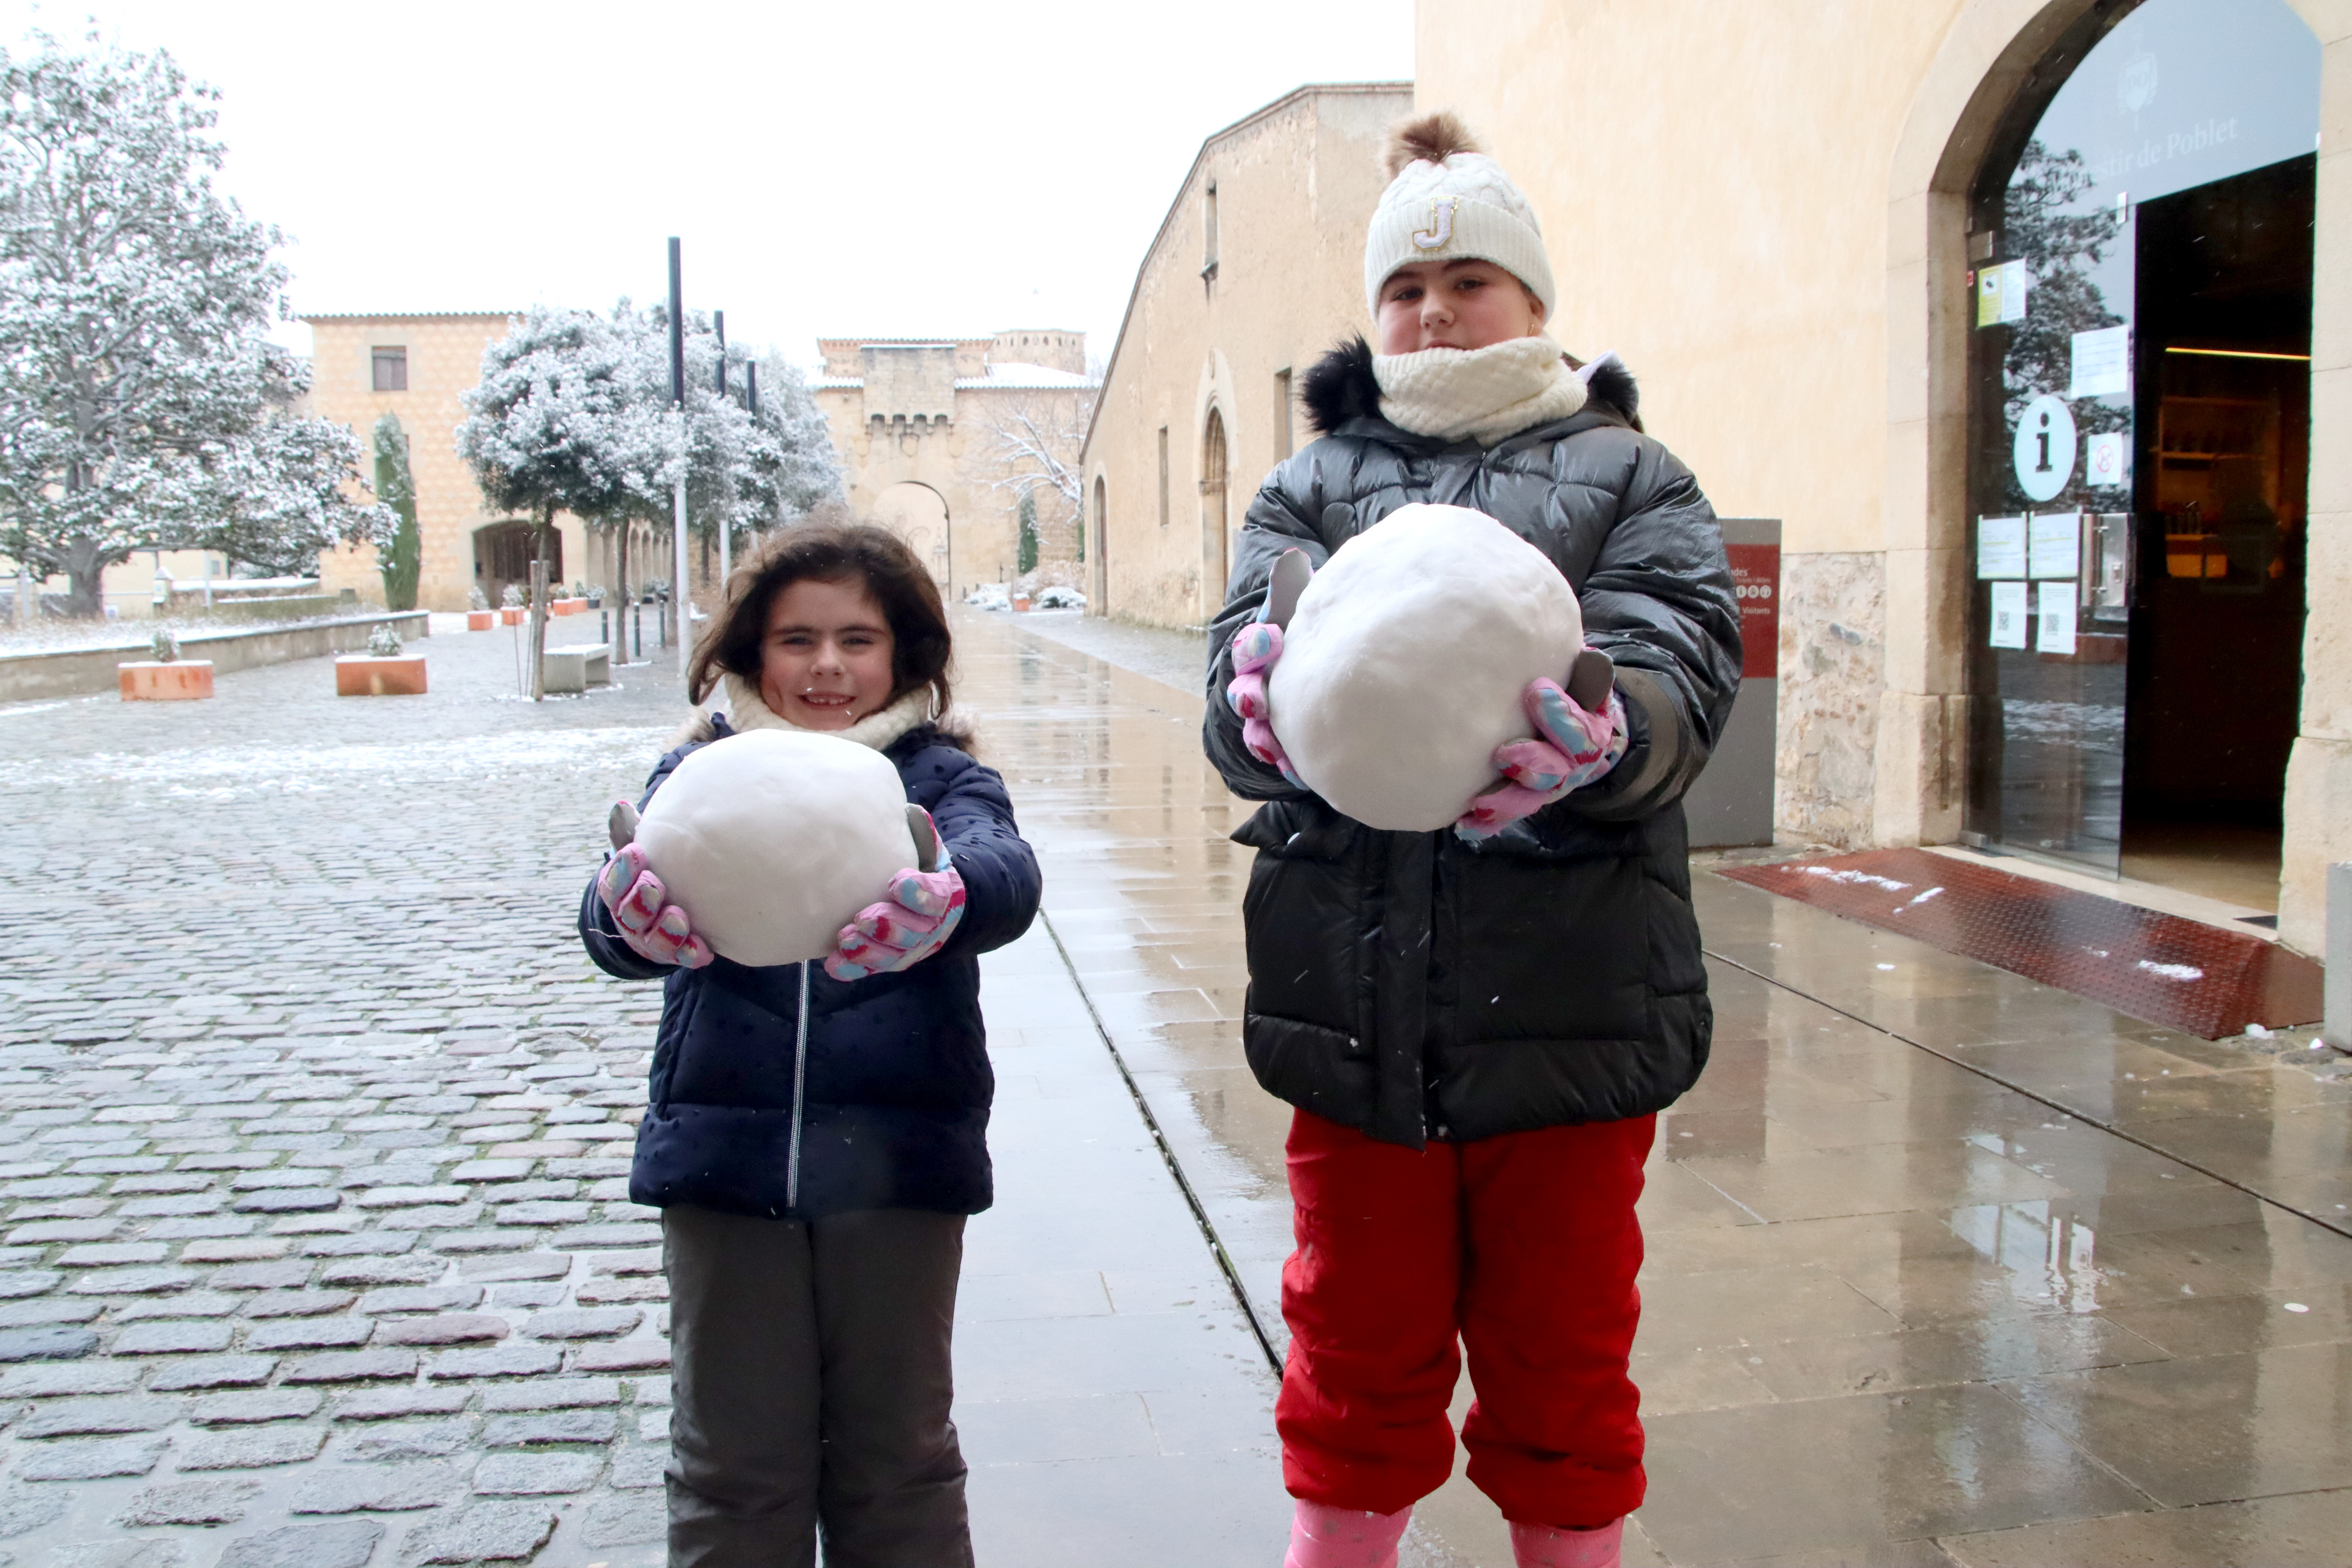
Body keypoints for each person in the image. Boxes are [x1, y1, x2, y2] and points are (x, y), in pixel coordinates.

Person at [1202, 112, 1741, 1568]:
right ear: (1375, 315)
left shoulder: (1636, 478)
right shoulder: (1304, 489)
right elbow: (1234, 676)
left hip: (1570, 1009)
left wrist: (1606, 728)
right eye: (1406, 289)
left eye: (1470, 281)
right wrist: (1253, 709)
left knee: (1563, 1363)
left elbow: (1682, 672)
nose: (1435, 311)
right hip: (1352, 1013)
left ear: (1535, 300)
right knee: (1351, 1353)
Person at [579, 523, 1041, 1568]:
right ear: (750, 655)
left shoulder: (939, 778)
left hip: (898, 1168)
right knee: (731, 1466)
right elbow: (617, 904)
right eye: (796, 640)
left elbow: (1002, 871)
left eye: (856, 639)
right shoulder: (697, 771)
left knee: (900, 1459)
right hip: (722, 1166)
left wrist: (950, 896)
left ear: (904, 656)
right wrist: (622, 919)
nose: (827, 666)